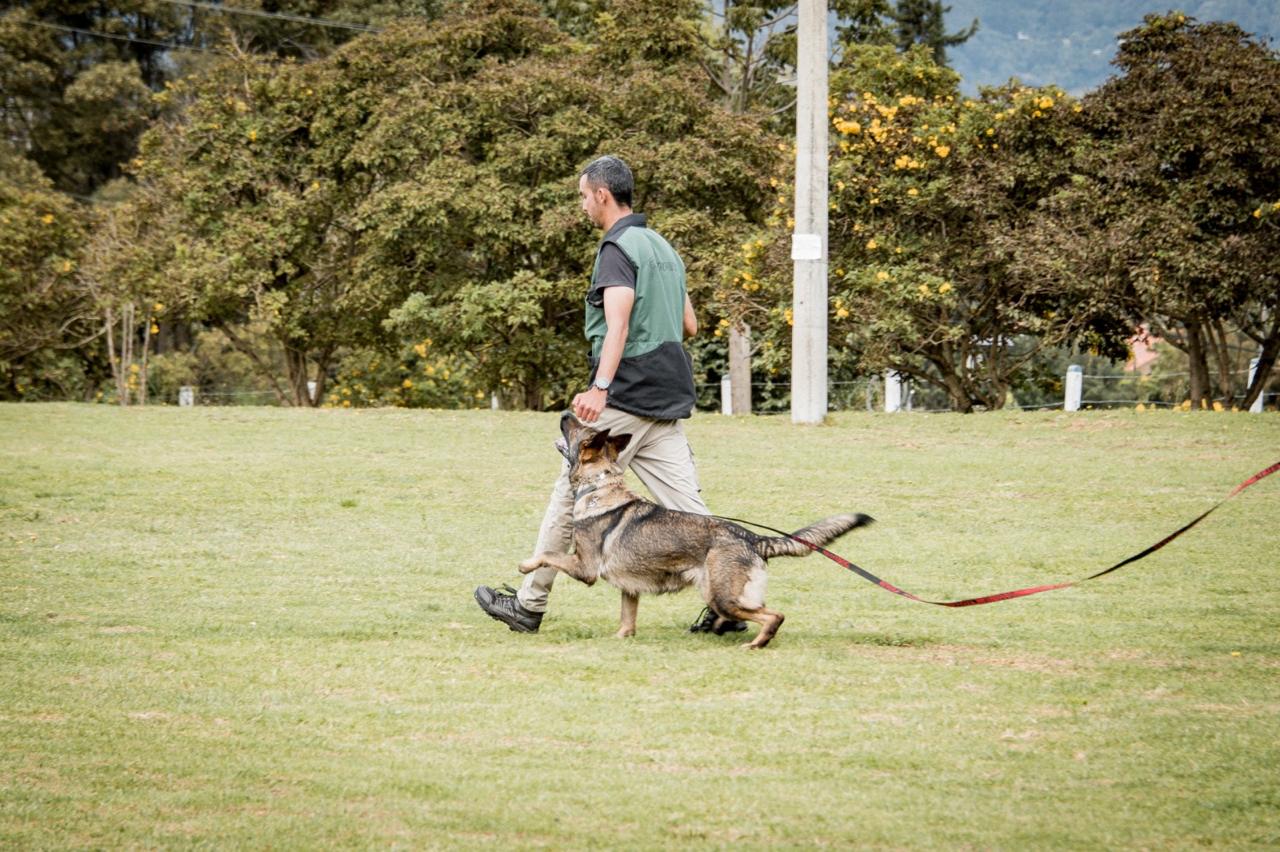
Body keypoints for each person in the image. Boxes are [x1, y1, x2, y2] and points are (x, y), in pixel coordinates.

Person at [474, 154, 743, 636]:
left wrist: (600, 387)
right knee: (688, 507)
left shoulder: (617, 248)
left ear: (602, 194)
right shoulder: (664, 247)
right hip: (669, 392)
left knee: (569, 495)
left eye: (582, 196)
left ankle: (529, 606)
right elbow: (690, 324)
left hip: (627, 393)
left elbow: (617, 322)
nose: (581, 205)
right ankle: (726, 604)